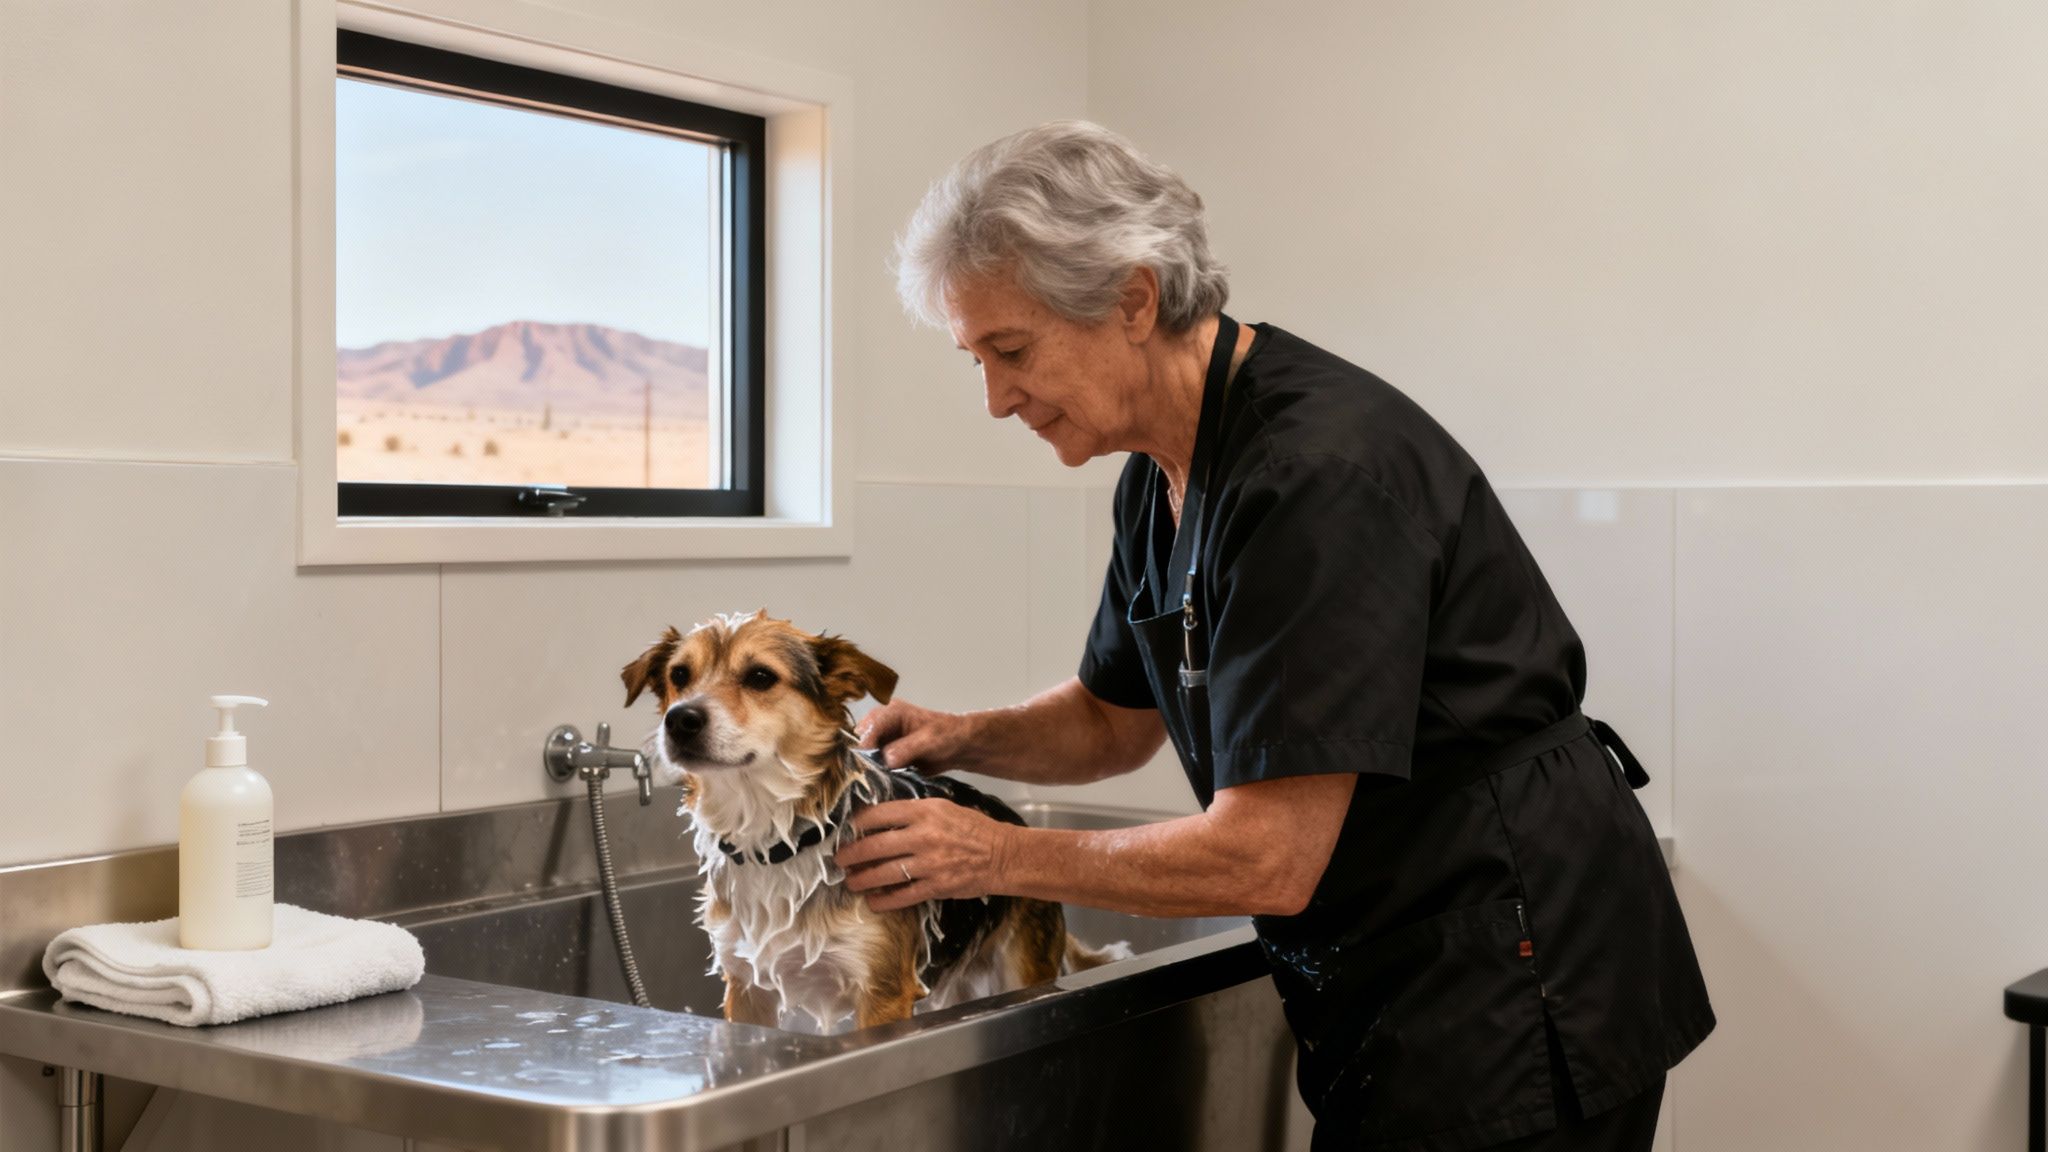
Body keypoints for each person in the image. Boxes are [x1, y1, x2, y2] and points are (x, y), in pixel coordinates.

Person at [833, 120, 1713, 1151]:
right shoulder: (1154, 471)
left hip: (1511, 964)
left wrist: (991, 855)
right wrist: (959, 738)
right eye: (972, 358)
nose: (993, 400)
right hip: (1395, 965)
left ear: (1131, 299)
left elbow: (1263, 860)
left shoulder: (1310, 475)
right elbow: (1111, 722)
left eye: (1011, 351)